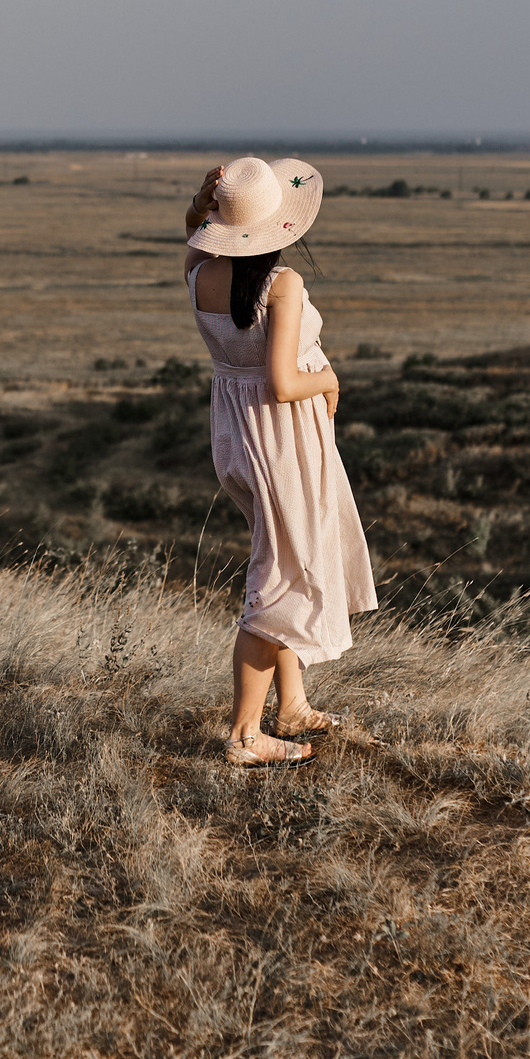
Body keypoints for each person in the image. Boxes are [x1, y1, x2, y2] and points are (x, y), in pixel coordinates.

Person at [184, 157, 378, 767]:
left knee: (285, 555)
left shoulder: (197, 273)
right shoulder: (283, 284)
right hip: (282, 435)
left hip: (236, 432)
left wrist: (202, 200)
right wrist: (329, 379)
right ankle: (244, 734)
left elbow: (190, 231)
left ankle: (291, 705)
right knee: (280, 574)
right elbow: (284, 380)